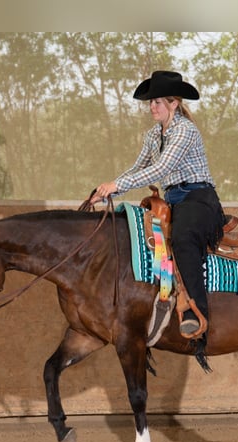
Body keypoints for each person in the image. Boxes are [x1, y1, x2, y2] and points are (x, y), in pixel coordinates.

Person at [90, 70, 226, 338]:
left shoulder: (185, 131)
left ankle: (195, 312)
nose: (152, 107)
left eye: (158, 102)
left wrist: (117, 186)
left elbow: (161, 168)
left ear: (174, 103)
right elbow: (137, 168)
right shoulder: (153, 135)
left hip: (197, 198)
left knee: (184, 239)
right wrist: (107, 190)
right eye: (150, 102)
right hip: (173, 201)